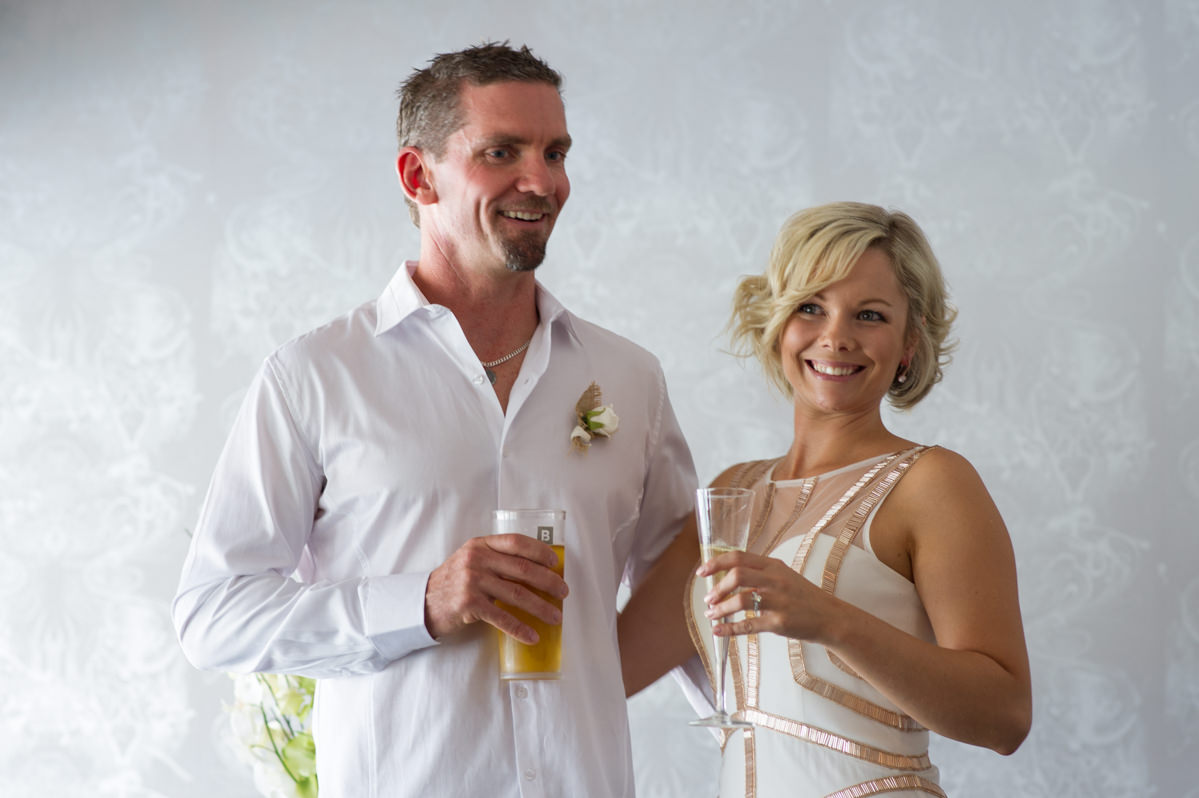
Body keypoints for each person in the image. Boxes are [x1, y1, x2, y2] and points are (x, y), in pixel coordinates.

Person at [173, 42, 696, 798]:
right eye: (501, 151)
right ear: (418, 176)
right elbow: (213, 615)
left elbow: (685, 597)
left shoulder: (627, 377)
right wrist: (421, 603)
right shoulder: (314, 376)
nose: (542, 181)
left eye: (555, 152)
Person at [618, 202, 1031, 796]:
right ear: (778, 323)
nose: (835, 337)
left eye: (869, 315)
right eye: (811, 307)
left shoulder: (933, 482)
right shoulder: (735, 491)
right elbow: (612, 671)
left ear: (910, 343)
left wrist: (830, 620)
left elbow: (1006, 717)